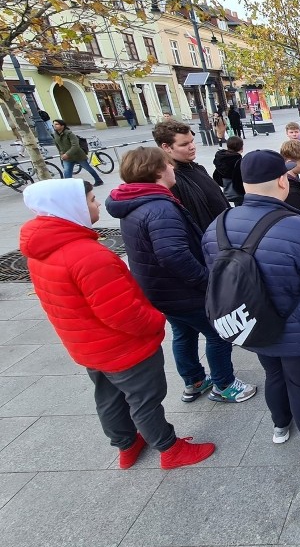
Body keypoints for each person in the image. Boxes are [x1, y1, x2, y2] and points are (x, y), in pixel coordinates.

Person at [20, 178, 216, 470]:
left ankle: (126, 445)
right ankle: (169, 448)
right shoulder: (88, 256)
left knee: (108, 398)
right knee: (145, 400)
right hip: (120, 347)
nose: (97, 204)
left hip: (86, 345)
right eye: (90, 200)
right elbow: (122, 313)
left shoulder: (41, 250)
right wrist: (155, 320)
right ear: (69, 206)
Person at [201, 149, 300, 463]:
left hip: (255, 325)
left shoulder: (215, 227)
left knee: (273, 374)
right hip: (299, 330)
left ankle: (280, 426)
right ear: (281, 182)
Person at [105, 147, 257, 405]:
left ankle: (194, 381)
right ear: (157, 171)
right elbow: (173, 255)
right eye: (168, 165)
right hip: (180, 291)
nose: (173, 169)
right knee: (218, 333)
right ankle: (224, 384)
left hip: (160, 291)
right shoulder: (159, 207)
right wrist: (206, 281)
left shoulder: (135, 202)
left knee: (183, 333)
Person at [152, 120, 230, 230]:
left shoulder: (197, 168)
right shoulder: (170, 180)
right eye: (184, 144)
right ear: (166, 147)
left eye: (192, 141)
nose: (192, 147)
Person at [52, 119, 104, 186]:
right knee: (67, 172)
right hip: (67, 157)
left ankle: (98, 180)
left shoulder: (69, 134)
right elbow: (58, 145)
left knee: (88, 168)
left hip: (78, 155)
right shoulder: (55, 135)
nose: (54, 126)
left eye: (57, 124)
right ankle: (69, 186)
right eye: (54, 124)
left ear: (62, 126)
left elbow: (75, 145)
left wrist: (67, 154)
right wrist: (61, 153)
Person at [212, 135, 246, 206]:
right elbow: (239, 179)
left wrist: (224, 184)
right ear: (241, 147)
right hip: (239, 192)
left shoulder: (221, 158)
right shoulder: (238, 161)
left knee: (237, 207)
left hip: (229, 190)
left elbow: (216, 175)